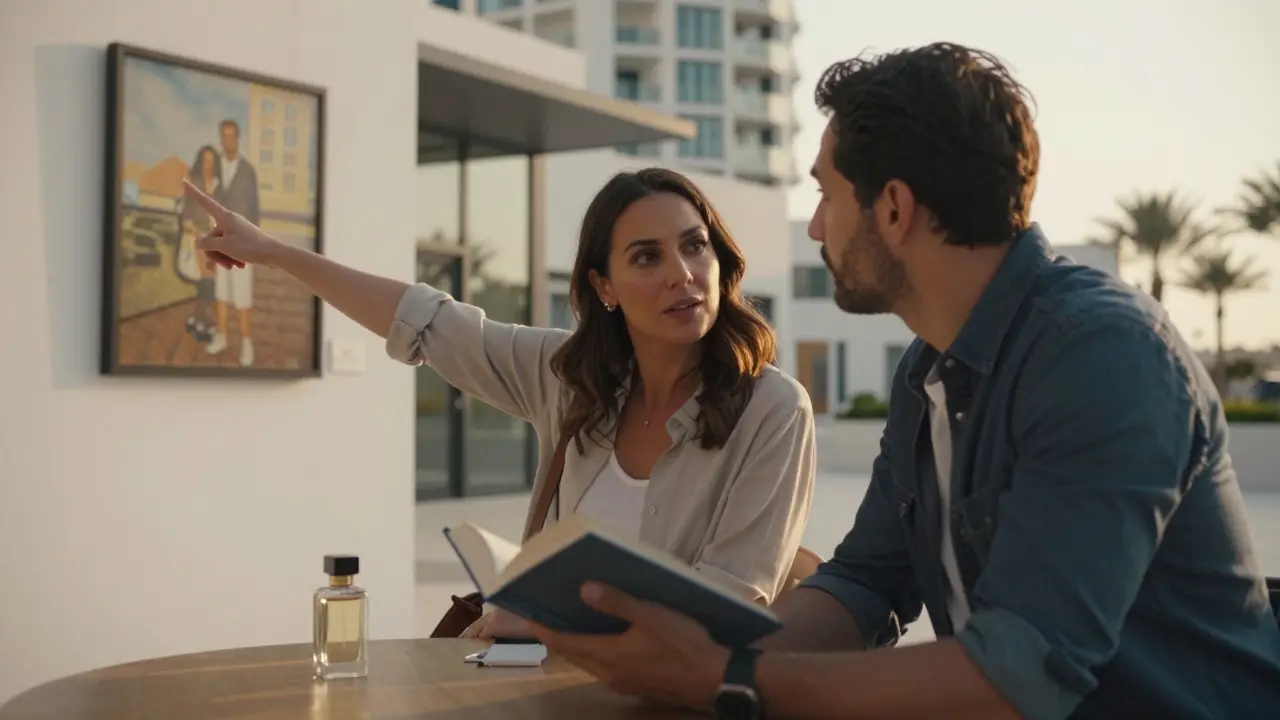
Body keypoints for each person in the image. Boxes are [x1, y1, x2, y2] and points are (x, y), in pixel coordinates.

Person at [517, 43, 1280, 719]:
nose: (815, 226)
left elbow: (1019, 678)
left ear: (892, 208)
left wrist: (731, 676)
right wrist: (680, 653)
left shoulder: (1103, 357)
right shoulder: (928, 370)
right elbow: (868, 582)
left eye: (824, 194)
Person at [182, 167, 817, 638]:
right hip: (544, 691)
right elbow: (425, 321)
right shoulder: (569, 377)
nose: (682, 273)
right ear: (604, 287)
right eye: (647, 257)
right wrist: (272, 253)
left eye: (694, 244)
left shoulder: (773, 409)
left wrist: (543, 623)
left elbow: (730, 601)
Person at [207, 118, 260, 366]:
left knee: (243, 297)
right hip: (220, 242)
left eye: (232, 136)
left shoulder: (248, 172)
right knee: (221, 295)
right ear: (221, 138)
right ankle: (223, 337)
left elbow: (255, 212)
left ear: (238, 139)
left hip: (241, 245)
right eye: (224, 136)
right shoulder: (215, 169)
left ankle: (247, 344)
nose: (228, 140)